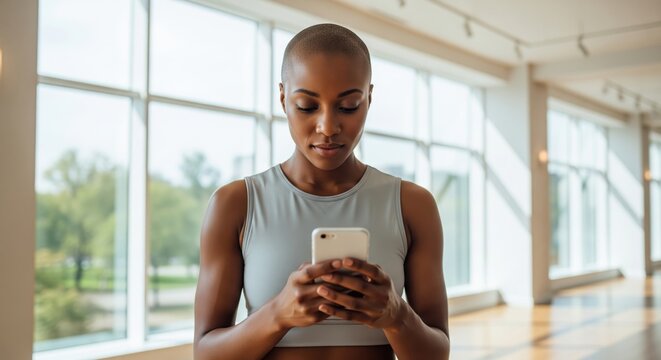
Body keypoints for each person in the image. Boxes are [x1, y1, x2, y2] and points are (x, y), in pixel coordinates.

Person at [193, 23, 449, 360]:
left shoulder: (413, 205)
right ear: (283, 97)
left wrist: (396, 316)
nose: (328, 127)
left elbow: (437, 353)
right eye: (306, 106)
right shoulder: (236, 204)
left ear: (369, 98)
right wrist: (278, 315)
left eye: (348, 106)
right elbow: (205, 354)